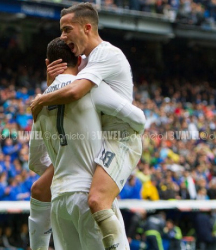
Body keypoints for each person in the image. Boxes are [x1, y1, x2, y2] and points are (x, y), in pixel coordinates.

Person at [29, 3, 143, 249]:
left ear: (87, 27)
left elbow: (76, 91)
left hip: (120, 137)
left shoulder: (106, 54)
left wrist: (40, 99)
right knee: (40, 189)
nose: (62, 36)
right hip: (94, 140)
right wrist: (51, 82)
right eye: (61, 31)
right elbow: (67, 85)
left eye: (67, 29)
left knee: (97, 200)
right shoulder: (82, 64)